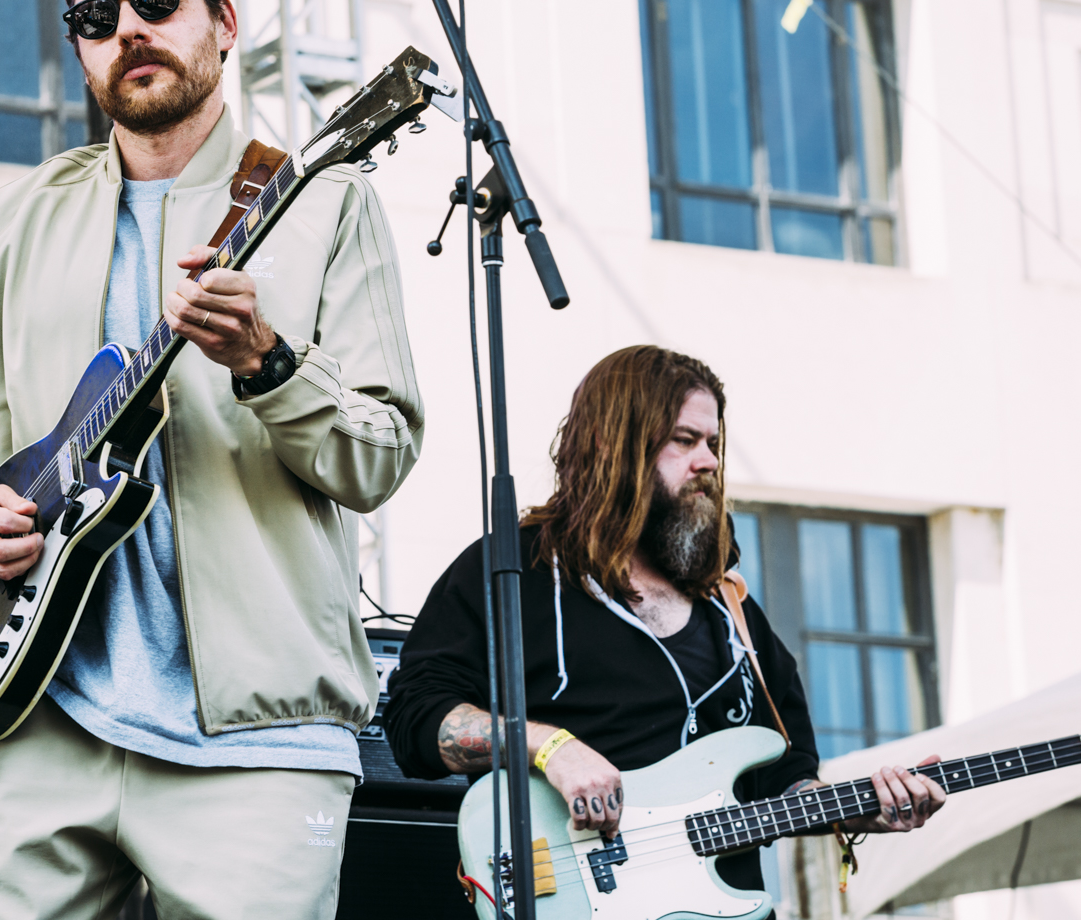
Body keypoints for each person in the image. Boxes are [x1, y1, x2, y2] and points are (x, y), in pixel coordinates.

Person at [0, 0, 423, 920]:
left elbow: (381, 453)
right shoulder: (9, 226)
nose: (128, 28)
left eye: (158, 0)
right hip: (37, 717)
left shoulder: (323, 203)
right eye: (96, 18)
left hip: (257, 746)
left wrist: (266, 363)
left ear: (224, 21)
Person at [384, 345, 942, 903]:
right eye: (684, 440)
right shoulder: (513, 572)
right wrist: (552, 748)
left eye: (713, 443)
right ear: (610, 443)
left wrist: (854, 809)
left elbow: (784, 776)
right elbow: (415, 717)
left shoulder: (731, 612)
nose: (709, 462)